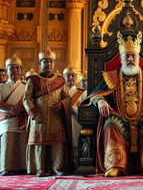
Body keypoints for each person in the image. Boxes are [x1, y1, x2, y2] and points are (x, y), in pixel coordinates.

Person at [84, 31, 143, 177]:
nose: (131, 58)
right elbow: (95, 94)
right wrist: (100, 100)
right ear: (121, 59)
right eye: (127, 56)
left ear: (138, 58)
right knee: (110, 122)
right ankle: (114, 165)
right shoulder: (111, 76)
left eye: (134, 56)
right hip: (120, 118)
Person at [23, 47, 71, 177]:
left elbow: (67, 97)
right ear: (40, 63)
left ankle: (57, 167)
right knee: (40, 143)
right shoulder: (32, 80)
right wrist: (34, 113)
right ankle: (40, 168)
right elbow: (26, 99)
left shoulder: (61, 80)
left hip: (56, 117)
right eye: (45, 61)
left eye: (51, 61)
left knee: (58, 143)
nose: (48, 64)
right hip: (39, 117)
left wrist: (62, 104)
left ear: (54, 63)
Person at [0, 54, 26, 176]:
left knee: (22, 142)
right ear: (6, 71)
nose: (14, 70)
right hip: (7, 120)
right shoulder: (1, 86)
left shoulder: (26, 87)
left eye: (17, 68)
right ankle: (6, 167)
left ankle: (22, 167)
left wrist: (20, 109)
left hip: (22, 119)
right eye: (11, 68)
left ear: (21, 70)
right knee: (7, 140)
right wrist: (13, 108)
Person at [63, 65, 84, 167]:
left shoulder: (82, 93)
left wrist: (75, 109)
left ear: (76, 78)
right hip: (63, 121)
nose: (70, 78)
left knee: (75, 142)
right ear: (64, 77)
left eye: (73, 75)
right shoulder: (60, 92)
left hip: (76, 121)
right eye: (68, 75)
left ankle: (76, 164)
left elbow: (86, 110)